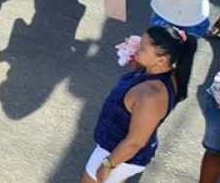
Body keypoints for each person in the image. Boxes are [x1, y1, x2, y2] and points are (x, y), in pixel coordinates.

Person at [82, 27, 193, 182]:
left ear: (162, 60)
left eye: (142, 47)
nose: (137, 47)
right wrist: (137, 61)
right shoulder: (159, 71)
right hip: (117, 146)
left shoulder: (151, 95)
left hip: (118, 153)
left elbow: (135, 142)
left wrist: (108, 165)